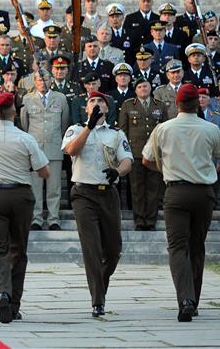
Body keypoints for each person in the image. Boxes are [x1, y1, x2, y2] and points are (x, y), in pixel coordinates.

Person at [142, 83, 220, 322]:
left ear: (177, 104)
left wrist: (168, 166)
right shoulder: (210, 128)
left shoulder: (163, 128)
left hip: (176, 192)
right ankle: (194, 300)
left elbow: (146, 161)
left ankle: (185, 299)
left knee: (178, 247)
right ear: (196, 103)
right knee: (197, 246)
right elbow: (218, 154)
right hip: (203, 192)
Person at [0, 91, 49, 323]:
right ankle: (14, 303)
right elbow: (44, 171)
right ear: (14, 112)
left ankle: (2, 293)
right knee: (18, 249)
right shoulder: (25, 138)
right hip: (21, 194)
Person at [63, 91, 133, 317]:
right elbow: (72, 150)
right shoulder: (75, 129)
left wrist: (117, 172)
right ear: (85, 108)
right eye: (91, 101)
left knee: (113, 251)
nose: (95, 104)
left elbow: (127, 161)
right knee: (92, 248)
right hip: (83, 193)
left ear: (107, 107)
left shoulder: (115, 133)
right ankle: (97, 300)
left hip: (108, 193)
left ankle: (99, 287)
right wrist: (89, 127)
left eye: (100, 101)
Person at [21, 69, 70, 230]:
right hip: (35, 149)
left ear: (51, 81)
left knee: (54, 186)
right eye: (39, 80)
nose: (43, 82)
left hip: (54, 147)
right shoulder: (27, 99)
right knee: (35, 186)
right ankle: (36, 219)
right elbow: (24, 124)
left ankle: (53, 219)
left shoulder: (60, 98)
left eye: (46, 79)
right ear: (35, 82)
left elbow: (64, 123)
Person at [118, 77, 168, 230]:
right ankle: (139, 220)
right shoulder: (127, 105)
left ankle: (151, 220)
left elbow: (164, 130)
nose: (143, 89)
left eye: (145, 86)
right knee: (137, 188)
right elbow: (123, 132)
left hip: (154, 154)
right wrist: (124, 153)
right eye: (140, 87)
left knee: (153, 188)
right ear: (135, 90)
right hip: (136, 153)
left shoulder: (159, 105)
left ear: (150, 88)